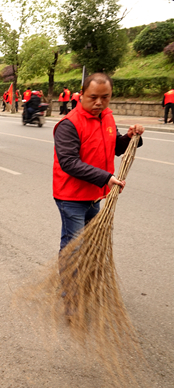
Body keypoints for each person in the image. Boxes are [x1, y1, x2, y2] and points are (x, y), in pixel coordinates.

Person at [53, 73, 144, 253]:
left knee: (91, 245)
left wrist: (131, 137)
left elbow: (115, 147)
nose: (99, 102)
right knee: (74, 248)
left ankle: (87, 280)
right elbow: (69, 162)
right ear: (82, 94)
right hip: (72, 197)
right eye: (93, 97)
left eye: (105, 97)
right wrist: (106, 178)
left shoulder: (107, 117)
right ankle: (70, 282)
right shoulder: (69, 124)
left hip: (95, 194)